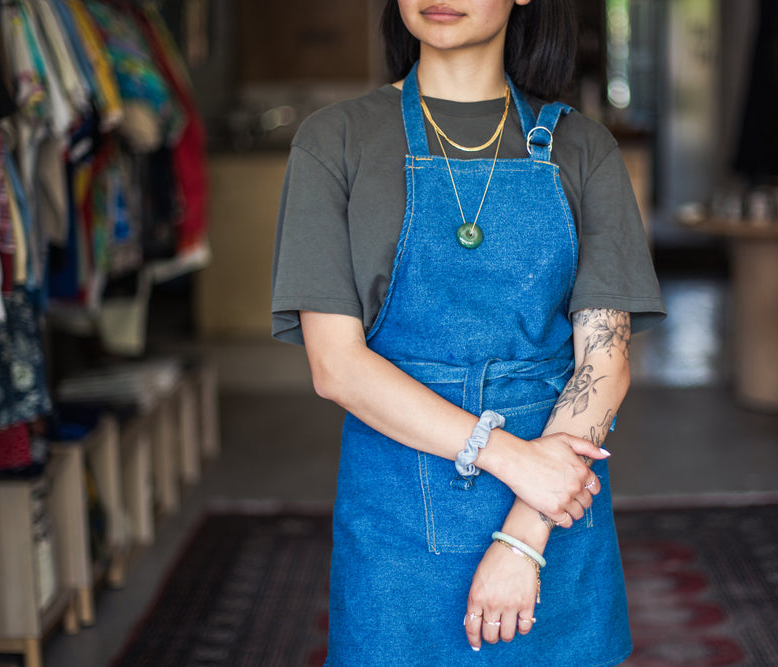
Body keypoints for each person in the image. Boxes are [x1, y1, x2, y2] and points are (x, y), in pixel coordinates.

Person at [271, 1, 666, 664]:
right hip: (396, 528)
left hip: (551, 524)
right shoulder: (333, 141)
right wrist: (513, 459)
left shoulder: (583, 147)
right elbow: (335, 366)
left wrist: (523, 536)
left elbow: (605, 365)